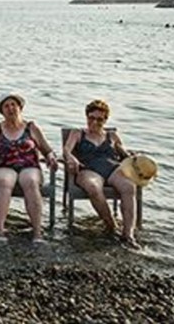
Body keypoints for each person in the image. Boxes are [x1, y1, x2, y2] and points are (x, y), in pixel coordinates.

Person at [0, 92, 57, 243]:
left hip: (29, 166)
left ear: (20, 107)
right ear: (2, 111)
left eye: (13, 105)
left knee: (30, 181)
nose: (10, 108)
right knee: (6, 180)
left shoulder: (31, 127)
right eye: (6, 106)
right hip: (3, 167)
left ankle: (37, 233)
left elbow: (47, 149)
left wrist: (51, 157)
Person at [62, 99, 140, 248]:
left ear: (105, 120)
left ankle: (128, 234)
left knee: (129, 187)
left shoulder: (111, 136)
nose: (94, 122)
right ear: (86, 116)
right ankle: (111, 226)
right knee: (92, 187)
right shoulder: (78, 133)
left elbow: (123, 154)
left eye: (99, 119)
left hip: (112, 169)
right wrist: (71, 158)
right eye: (91, 118)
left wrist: (132, 156)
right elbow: (66, 150)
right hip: (89, 169)